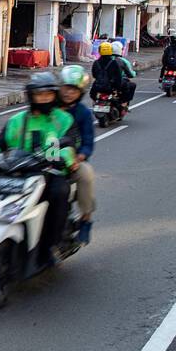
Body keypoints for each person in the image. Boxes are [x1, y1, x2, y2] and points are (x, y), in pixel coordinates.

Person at [0, 71, 76, 268]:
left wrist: (63, 158)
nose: (43, 98)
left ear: (54, 95)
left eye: (48, 94)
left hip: (50, 172)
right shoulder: (17, 120)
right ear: (30, 96)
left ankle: (52, 245)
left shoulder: (63, 119)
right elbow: (0, 143)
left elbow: (70, 144)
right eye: (39, 94)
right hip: (18, 172)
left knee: (59, 192)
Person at [58, 65, 96, 245]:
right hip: (45, 158)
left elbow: (88, 142)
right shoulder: (49, 107)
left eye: (73, 90)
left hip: (72, 161)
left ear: (80, 92)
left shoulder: (83, 113)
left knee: (86, 175)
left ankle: (86, 218)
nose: (68, 93)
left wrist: (78, 157)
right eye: (66, 88)